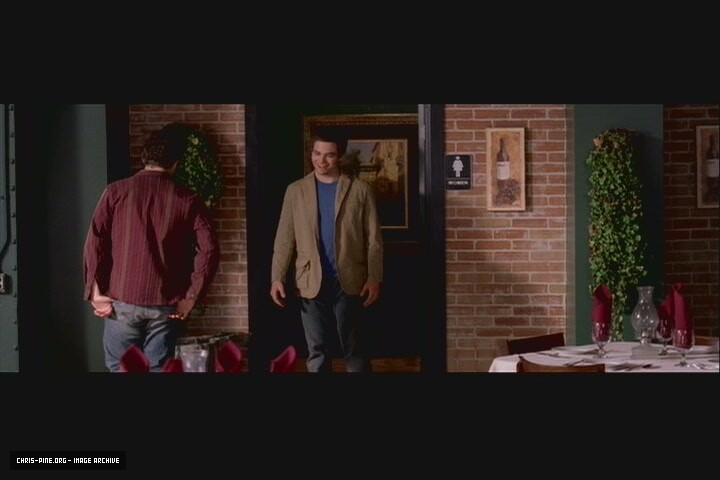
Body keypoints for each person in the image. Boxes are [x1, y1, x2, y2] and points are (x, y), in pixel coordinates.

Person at [83, 123, 220, 372]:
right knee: (159, 369)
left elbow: (95, 239)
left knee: (121, 369)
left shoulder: (116, 192)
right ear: (175, 163)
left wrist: (95, 291)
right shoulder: (188, 199)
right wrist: (192, 296)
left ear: (145, 159)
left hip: (123, 299)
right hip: (166, 303)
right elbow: (209, 249)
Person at [270, 130, 383, 372]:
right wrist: (277, 277)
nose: (321, 161)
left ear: (339, 156)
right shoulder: (295, 191)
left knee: (355, 350)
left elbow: (374, 240)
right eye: (316, 153)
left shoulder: (360, 190)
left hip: (350, 279)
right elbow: (284, 239)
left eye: (329, 155)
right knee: (317, 351)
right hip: (310, 279)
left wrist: (375, 277)